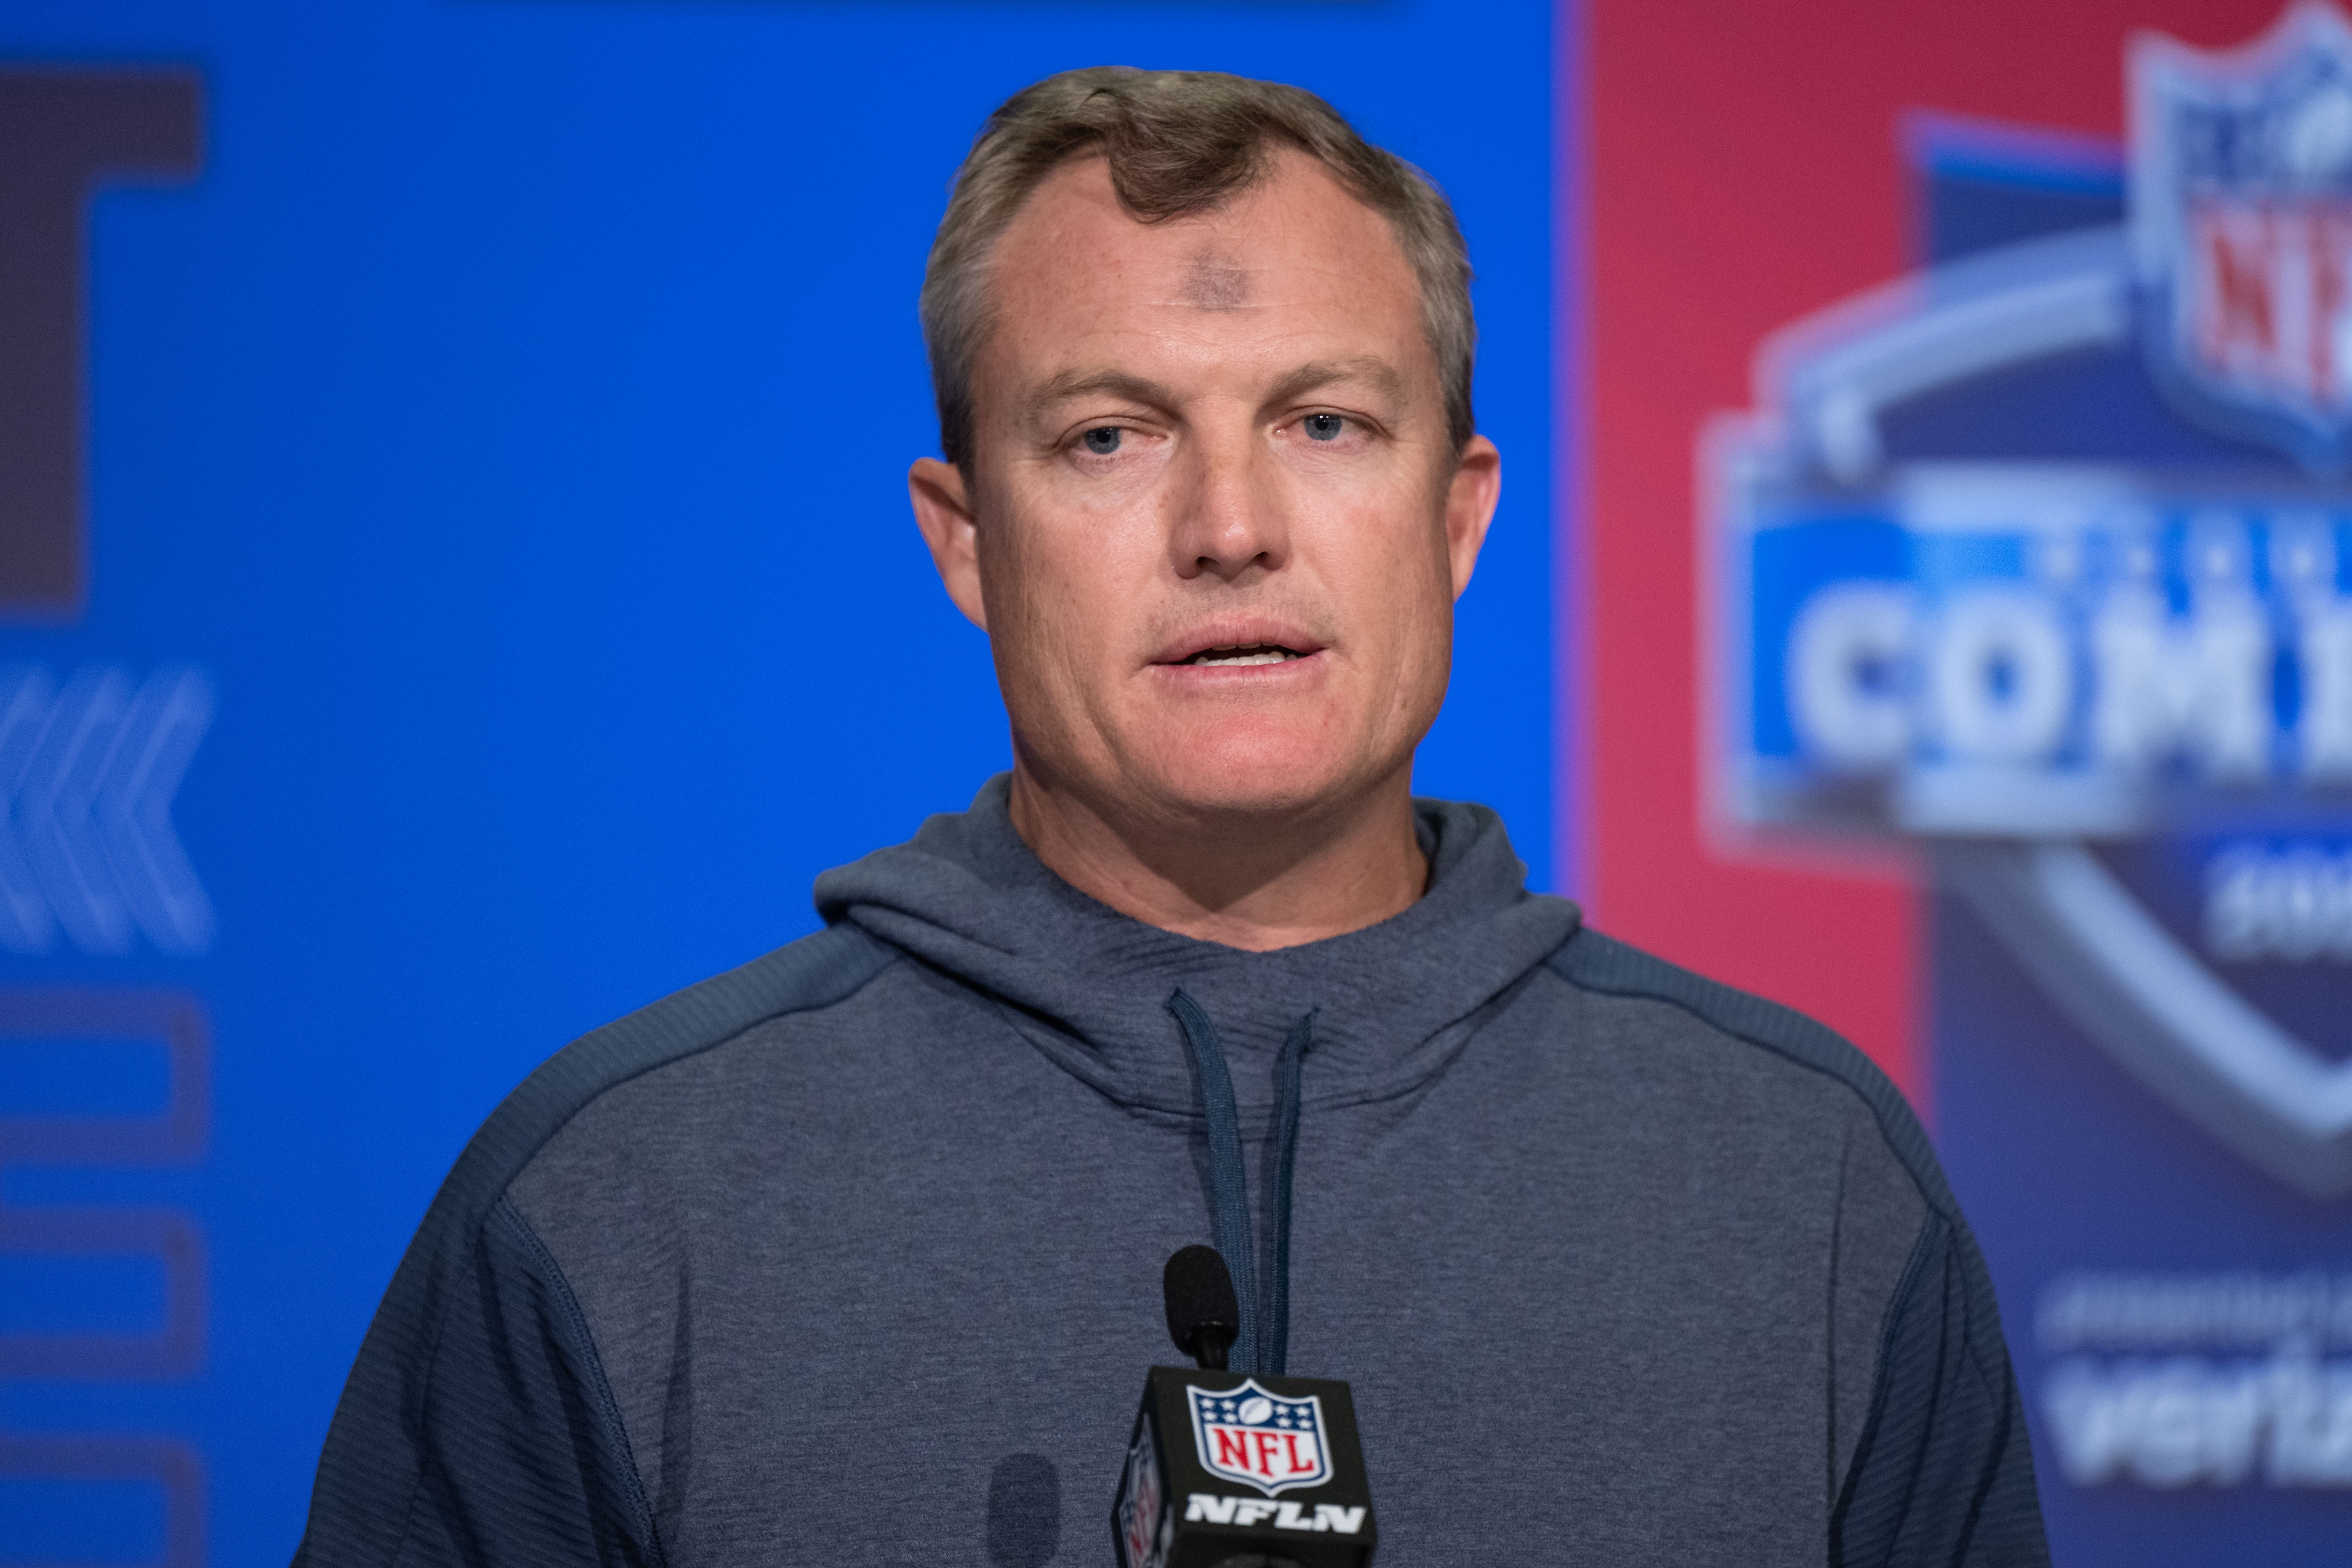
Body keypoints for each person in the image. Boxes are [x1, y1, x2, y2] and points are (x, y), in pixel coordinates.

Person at [294, 67, 2048, 1567]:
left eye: (1326, 423)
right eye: (1112, 438)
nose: (1230, 527)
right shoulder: (621, 1194)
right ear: (966, 541)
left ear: (1457, 518)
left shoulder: (1812, 1186)